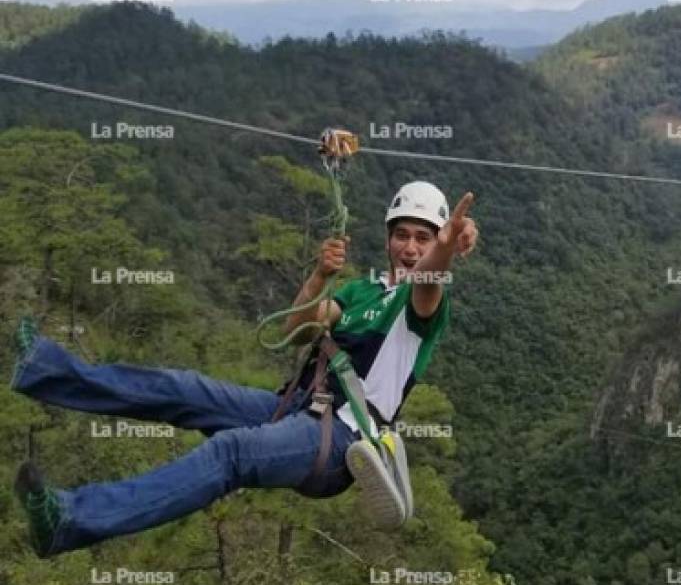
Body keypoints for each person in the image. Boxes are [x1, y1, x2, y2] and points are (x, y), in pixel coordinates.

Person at [10, 181, 478, 558]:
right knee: (182, 390)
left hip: (341, 439)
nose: (411, 247)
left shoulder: (422, 306)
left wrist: (447, 246)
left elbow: (430, 279)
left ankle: (70, 522)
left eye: (423, 237)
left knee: (231, 453)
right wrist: (318, 276)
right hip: (297, 407)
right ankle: (43, 369)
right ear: (388, 239)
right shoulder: (362, 291)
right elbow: (296, 329)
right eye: (402, 234)